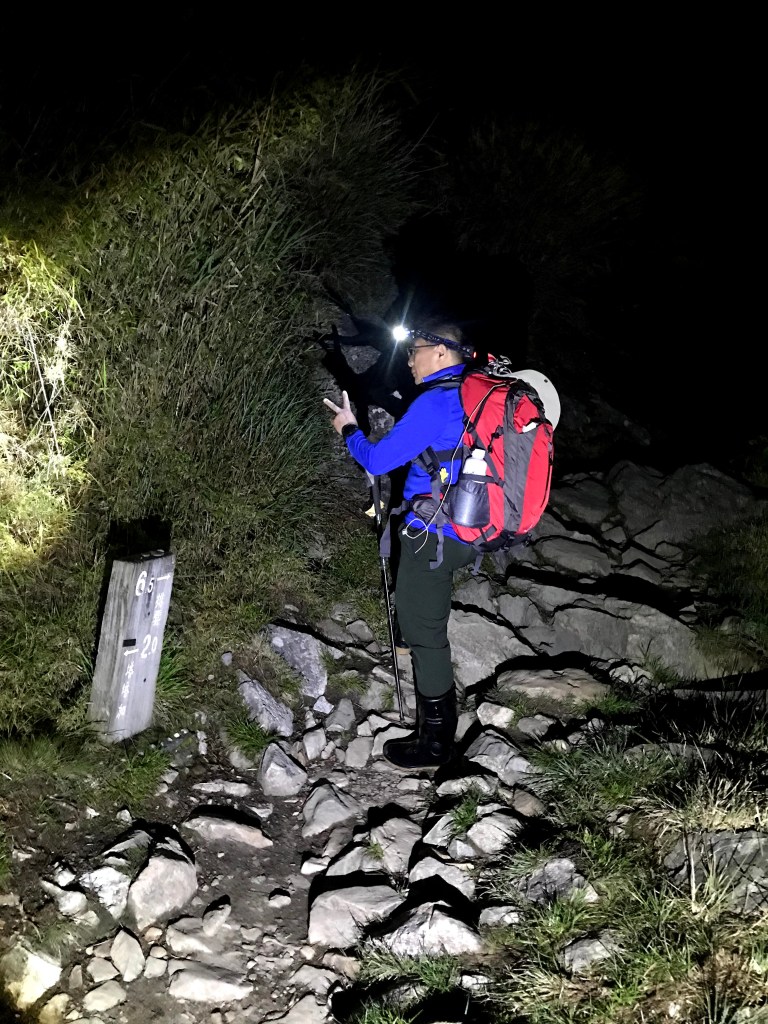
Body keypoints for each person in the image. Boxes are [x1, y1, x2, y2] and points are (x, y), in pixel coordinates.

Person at [323, 320, 476, 769]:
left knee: (426, 636)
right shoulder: (472, 394)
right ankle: (433, 733)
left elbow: (377, 459)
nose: (410, 359)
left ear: (442, 353)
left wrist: (348, 429)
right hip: (466, 530)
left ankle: (435, 745)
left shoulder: (436, 402)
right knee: (424, 626)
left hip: (434, 535)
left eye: (416, 350)